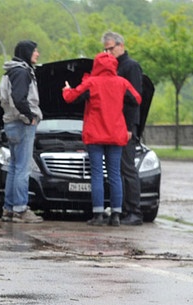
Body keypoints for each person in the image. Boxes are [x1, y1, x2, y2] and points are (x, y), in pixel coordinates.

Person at [62, 51, 141, 226]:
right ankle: (116, 215)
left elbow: (70, 97)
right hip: (115, 134)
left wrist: (66, 89)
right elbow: (137, 98)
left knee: (97, 174)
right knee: (115, 175)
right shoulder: (122, 82)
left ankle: (98, 214)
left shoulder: (91, 82)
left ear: (96, 65)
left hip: (95, 134)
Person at [102, 31, 145, 226]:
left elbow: (134, 100)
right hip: (114, 126)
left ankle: (134, 211)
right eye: (106, 49)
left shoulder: (131, 67)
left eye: (111, 48)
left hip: (126, 126)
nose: (108, 52)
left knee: (128, 169)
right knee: (118, 169)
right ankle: (123, 209)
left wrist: (129, 127)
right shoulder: (112, 68)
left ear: (121, 45)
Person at [0, 40, 43, 223]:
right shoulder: (22, 72)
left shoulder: (10, 71)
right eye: (35, 50)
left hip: (10, 123)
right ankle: (20, 209)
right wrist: (30, 115)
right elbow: (19, 98)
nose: (37, 54)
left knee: (14, 167)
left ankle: (8, 209)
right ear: (26, 52)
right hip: (22, 123)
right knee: (23, 168)